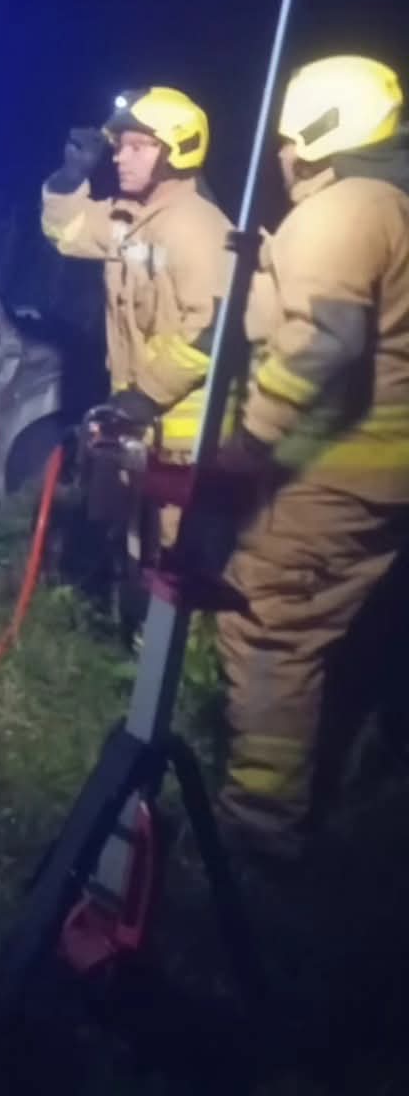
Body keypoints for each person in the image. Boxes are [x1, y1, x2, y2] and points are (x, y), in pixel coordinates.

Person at [213, 54, 409, 861]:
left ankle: (258, 828)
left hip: (331, 471)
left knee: (271, 629)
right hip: (382, 476)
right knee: (346, 637)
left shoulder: (343, 212)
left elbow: (325, 341)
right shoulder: (390, 204)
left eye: (289, 139)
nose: (280, 155)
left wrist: (250, 441)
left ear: (318, 136)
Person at [42, 89, 233, 591]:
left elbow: (213, 329)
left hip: (188, 430)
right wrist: (70, 177)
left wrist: (146, 393)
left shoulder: (197, 227)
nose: (120, 157)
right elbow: (68, 233)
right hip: (141, 418)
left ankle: (176, 655)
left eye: (137, 146)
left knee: (179, 552)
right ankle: (132, 640)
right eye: (119, 146)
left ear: (176, 151)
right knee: (136, 544)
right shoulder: (131, 220)